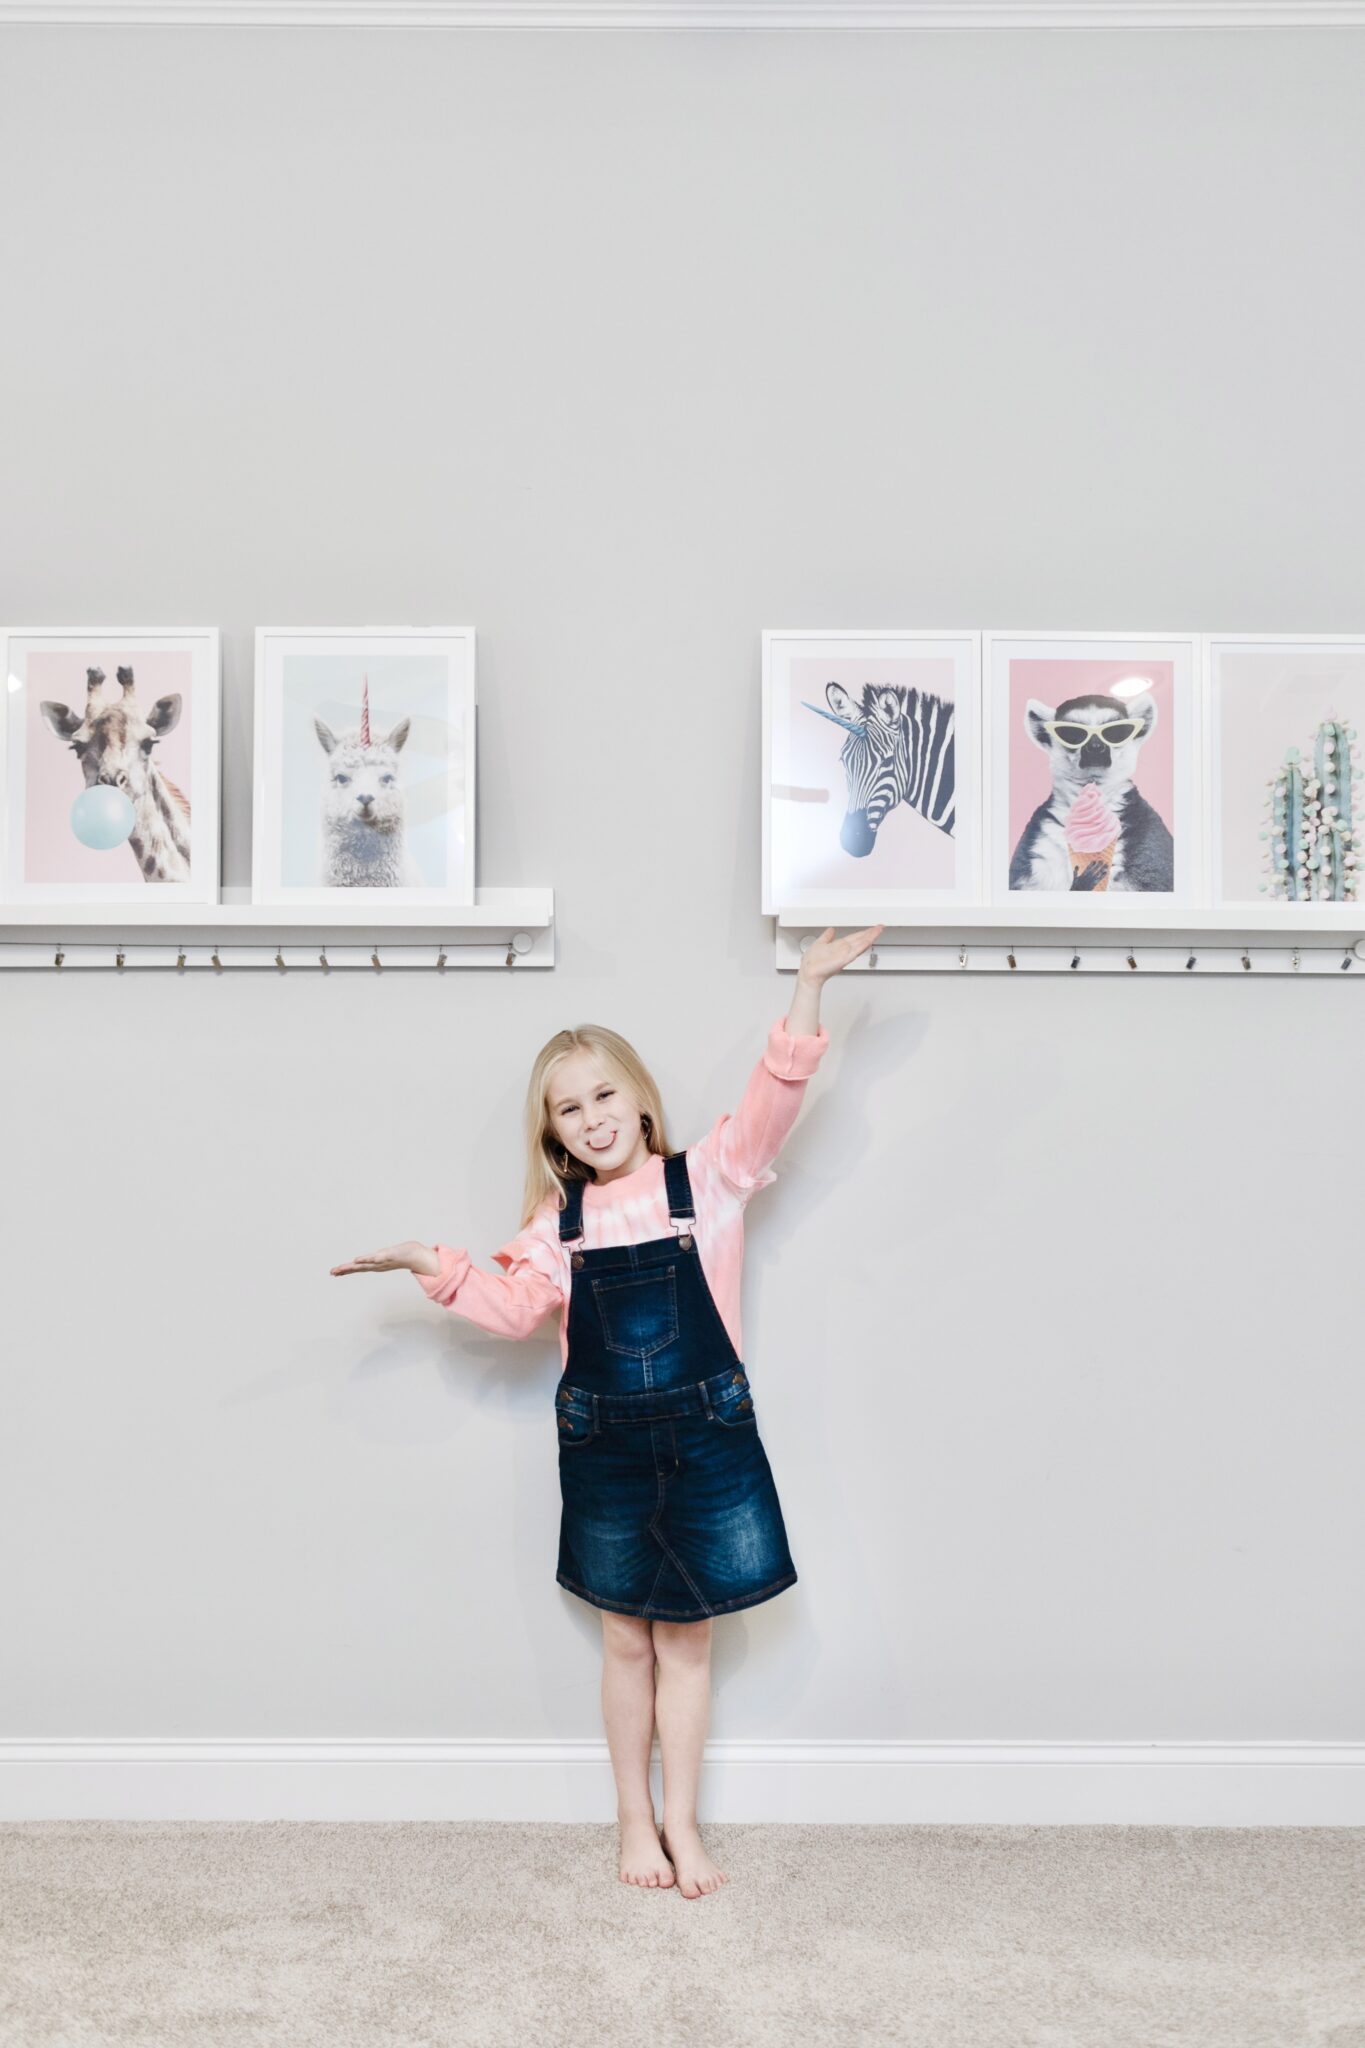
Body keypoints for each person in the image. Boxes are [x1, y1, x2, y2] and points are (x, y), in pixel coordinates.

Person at [330, 923, 882, 1897]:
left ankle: (683, 1824)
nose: (592, 1118)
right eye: (568, 1109)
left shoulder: (703, 1180)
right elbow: (510, 1310)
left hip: (707, 1436)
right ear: (552, 1135)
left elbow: (770, 1107)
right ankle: (634, 1820)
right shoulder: (557, 1225)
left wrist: (807, 991)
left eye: (603, 1093)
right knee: (628, 1638)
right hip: (607, 1449)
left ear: (637, 1096)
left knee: (693, 1638)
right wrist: (437, 1264)